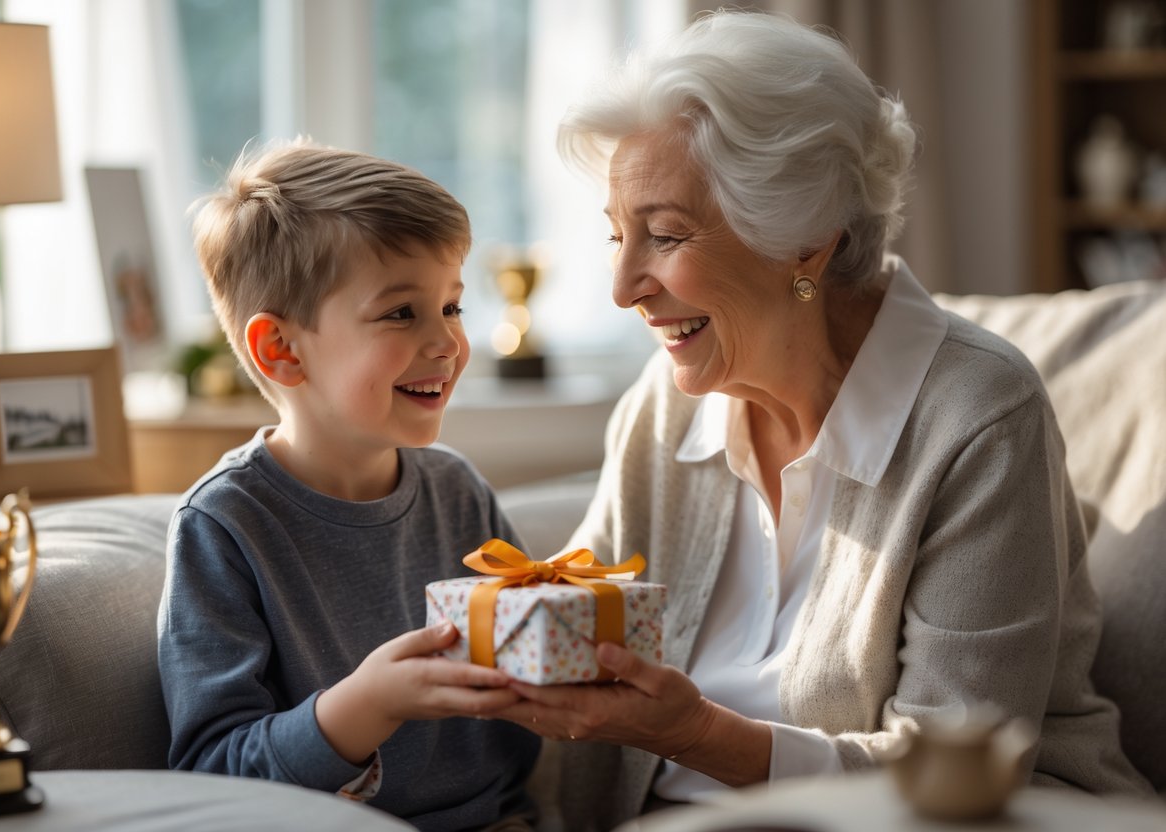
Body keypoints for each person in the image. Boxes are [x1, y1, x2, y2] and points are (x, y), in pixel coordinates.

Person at [494, 11, 1153, 829]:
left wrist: (696, 733)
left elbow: (955, 763)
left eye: (663, 236)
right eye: (615, 236)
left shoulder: (975, 415)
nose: (623, 287)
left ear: (804, 240)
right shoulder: (665, 407)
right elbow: (576, 632)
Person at [157, 141, 539, 831]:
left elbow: (519, 719)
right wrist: (368, 704)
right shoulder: (224, 524)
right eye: (401, 313)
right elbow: (212, 773)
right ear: (281, 349)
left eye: (451, 307)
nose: (448, 342)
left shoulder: (457, 490)